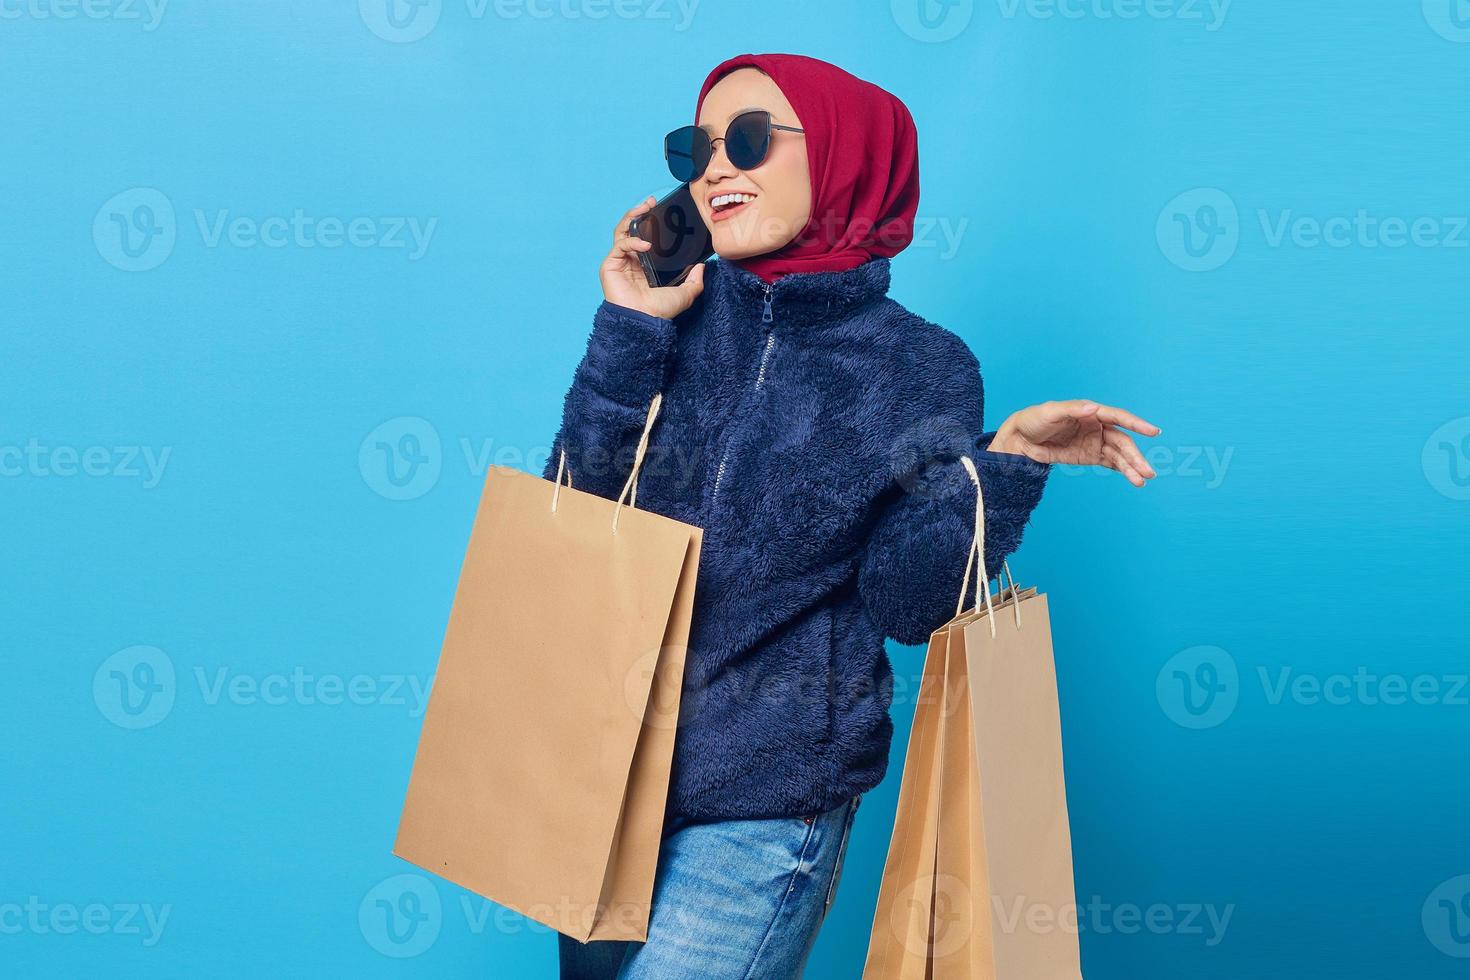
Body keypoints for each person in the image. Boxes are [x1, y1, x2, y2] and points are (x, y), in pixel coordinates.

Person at [549, 52, 1159, 979]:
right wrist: (629, 325)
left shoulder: (918, 366)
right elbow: (571, 522)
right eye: (696, 147)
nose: (715, 169)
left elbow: (908, 602)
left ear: (841, 157)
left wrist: (1006, 464)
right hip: (604, 778)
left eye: (748, 141)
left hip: (761, 799)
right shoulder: (667, 318)